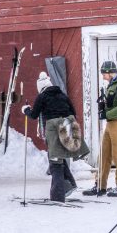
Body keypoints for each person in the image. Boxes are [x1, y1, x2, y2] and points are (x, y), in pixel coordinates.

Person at [23, 71, 90, 203]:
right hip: (67, 126)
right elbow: (73, 112)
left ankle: (57, 196)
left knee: (55, 162)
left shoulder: (42, 96)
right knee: (60, 158)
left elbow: (34, 115)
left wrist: (26, 110)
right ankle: (68, 185)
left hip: (53, 130)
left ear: (40, 87)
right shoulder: (62, 95)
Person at [83, 61, 117, 197]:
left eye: (103, 73)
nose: (103, 76)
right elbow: (113, 103)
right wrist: (103, 106)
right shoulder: (112, 85)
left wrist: (107, 113)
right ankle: (100, 185)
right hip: (111, 122)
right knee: (104, 154)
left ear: (109, 71)